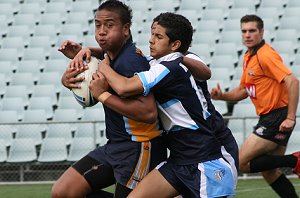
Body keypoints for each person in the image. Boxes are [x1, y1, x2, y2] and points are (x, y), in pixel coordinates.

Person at [94, 12, 235, 198]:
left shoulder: (169, 66)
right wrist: (88, 51)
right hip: (178, 159)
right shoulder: (162, 61)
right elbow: (126, 56)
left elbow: (123, 87)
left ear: (175, 45)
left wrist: (102, 75)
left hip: (204, 158)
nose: (151, 40)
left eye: (158, 36)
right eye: (152, 34)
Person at [51, 1, 168, 197]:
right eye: (98, 25)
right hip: (115, 146)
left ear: (125, 29)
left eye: (109, 25)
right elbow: (92, 93)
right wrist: (72, 80)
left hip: (140, 147)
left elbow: (148, 113)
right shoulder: (111, 56)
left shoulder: (130, 60)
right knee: (63, 191)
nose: (102, 31)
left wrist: (102, 95)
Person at [210, 14, 300, 198]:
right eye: (244, 31)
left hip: (276, 116)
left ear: (261, 32)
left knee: (241, 162)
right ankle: (294, 163)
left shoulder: (265, 55)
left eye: (252, 31)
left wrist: (291, 117)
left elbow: (293, 81)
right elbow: (243, 89)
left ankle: (294, 160)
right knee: (270, 172)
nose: (247, 35)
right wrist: (222, 96)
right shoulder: (249, 56)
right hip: (272, 116)